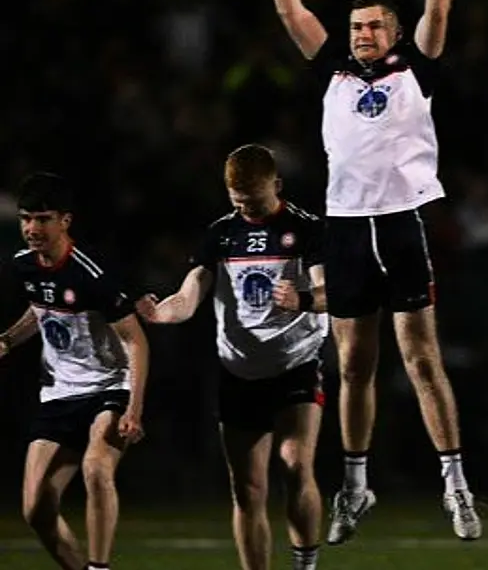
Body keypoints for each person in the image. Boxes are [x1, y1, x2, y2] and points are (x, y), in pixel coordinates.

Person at [267, 0, 482, 544]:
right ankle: (356, 486)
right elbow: (290, 9)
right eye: (356, 27)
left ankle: (454, 482)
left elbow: (438, 5)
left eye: (374, 26)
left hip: (402, 221)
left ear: (395, 32)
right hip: (345, 226)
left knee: (420, 358)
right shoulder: (332, 70)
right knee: (354, 363)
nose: (363, 35)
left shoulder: (417, 68)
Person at [136, 144, 327, 570]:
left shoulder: (307, 229)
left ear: (276, 185)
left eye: (255, 200)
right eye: (239, 201)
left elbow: (330, 292)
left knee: (295, 464)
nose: (248, 209)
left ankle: (305, 564)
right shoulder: (220, 234)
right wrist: (161, 313)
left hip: (296, 360)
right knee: (248, 488)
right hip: (238, 368)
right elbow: (189, 295)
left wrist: (302, 299)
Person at [0, 172, 148, 570]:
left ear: (65, 221)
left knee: (96, 469)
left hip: (108, 387)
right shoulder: (25, 266)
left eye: (43, 218)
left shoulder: (91, 273)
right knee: (35, 509)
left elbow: (136, 340)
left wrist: (134, 409)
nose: (32, 229)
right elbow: (39, 308)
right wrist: (8, 340)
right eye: (26, 218)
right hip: (60, 392)